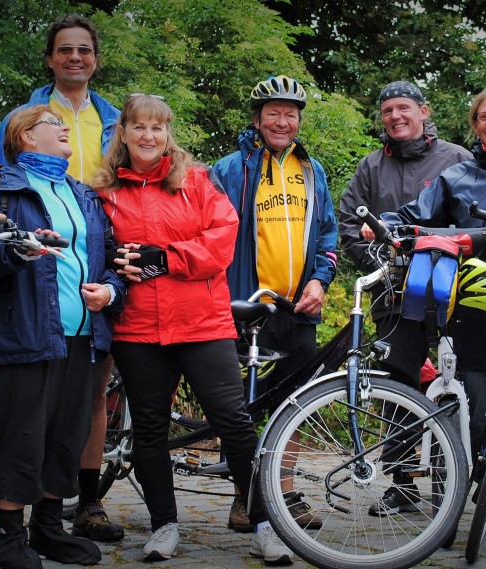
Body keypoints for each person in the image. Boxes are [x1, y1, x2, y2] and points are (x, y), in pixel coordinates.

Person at [93, 94, 293, 564]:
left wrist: (167, 258)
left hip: (203, 323)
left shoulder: (195, 181)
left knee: (234, 423)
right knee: (148, 430)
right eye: (138, 127)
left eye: (157, 128)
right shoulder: (105, 192)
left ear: (168, 134)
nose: (148, 136)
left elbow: (222, 239)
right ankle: (164, 525)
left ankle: (263, 521)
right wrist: (113, 263)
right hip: (139, 327)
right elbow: (96, 253)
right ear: (122, 132)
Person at [369, 85, 486, 536]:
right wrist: (383, 226)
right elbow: (415, 213)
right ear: (474, 125)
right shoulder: (458, 175)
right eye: (484, 117)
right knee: (477, 405)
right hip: (472, 305)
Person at [0, 104, 126, 569]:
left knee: (67, 435)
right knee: (25, 434)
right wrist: (18, 248)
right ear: (26, 137)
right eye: (53, 124)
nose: (63, 129)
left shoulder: (81, 193)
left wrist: (111, 290)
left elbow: (109, 256)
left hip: (82, 332)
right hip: (25, 330)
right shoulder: (3, 186)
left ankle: (48, 528)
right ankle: (9, 534)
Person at [338, 80, 471, 517]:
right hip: (394, 296)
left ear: (423, 110)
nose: (395, 116)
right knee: (399, 386)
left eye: (403, 108)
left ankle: (462, 477)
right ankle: (404, 483)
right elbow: (347, 224)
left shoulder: (456, 158)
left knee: (465, 381)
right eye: (387, 110)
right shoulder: (371, 167)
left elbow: (473, 220)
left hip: (455, 294)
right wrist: (379, 263)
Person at [211, 74, 338, 532]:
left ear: (299, 120)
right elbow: (212, 233)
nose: (282, 121)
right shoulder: (231, 169)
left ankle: (283, 493)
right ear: (257, 118)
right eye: (273, 113)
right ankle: (244, 496)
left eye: (290, 114)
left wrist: (320, 281)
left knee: (295, 402)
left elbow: (327, 234)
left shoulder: (312, 170)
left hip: (297, 307)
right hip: (244, 305)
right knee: (241, 406)